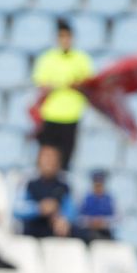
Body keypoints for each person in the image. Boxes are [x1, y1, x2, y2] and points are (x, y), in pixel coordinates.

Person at [32, 18, 94, 168]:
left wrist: (74, 85)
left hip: (71, 116)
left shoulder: (81, 59)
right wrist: (60, 85)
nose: (65, 40)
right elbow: (41, 83)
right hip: (50, 114)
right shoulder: (47, 58)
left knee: (65, 160)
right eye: (62, 36)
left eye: (67, 37)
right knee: (46, 158)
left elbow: (90, 84)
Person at [15, 145, 75, 238]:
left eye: (53, 158)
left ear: (59, 163)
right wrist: (39, 209)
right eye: (46, 158)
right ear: (38, 161)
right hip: (32, 232)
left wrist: (63, 219)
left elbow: (72, 211)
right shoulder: (29, 183)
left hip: (56, 234)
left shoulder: (64, 186)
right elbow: (17, 210)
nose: (49, 162)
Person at [76, 169, 117, 240]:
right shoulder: (85, 199)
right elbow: (78, 217)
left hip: (105, 232)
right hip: (87, 232)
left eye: (100, 184)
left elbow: (116, 218)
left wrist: (103, 222)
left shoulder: (110, 199)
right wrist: (90, 221)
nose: (98, 187)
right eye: (96, 184)